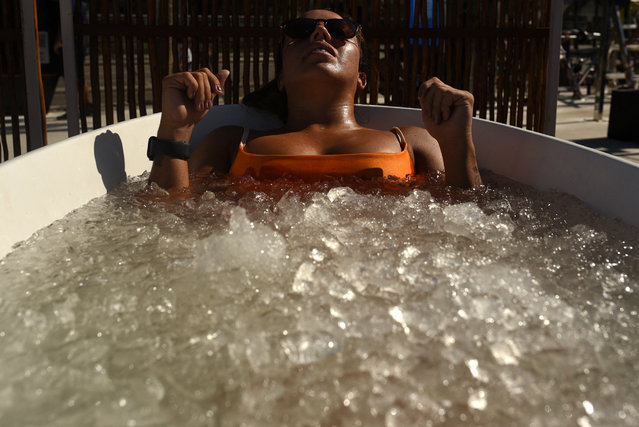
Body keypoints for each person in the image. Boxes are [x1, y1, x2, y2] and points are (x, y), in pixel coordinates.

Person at [148, 9, 482, 192]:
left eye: (340, 31)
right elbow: (169, 218)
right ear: (280, 78)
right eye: (301, 29)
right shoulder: (231, 141)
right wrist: (175, 131)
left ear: (362, 78)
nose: (320, 34)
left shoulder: (413, 140)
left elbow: (470, 223)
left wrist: (457, 141)